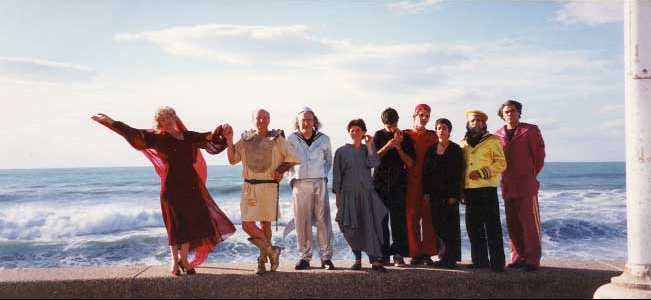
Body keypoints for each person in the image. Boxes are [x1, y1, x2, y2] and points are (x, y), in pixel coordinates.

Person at [91, 107, 236, 277]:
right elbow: (133, 133)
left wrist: (222, 129)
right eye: (162, 121)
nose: (166, 122)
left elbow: (209, 137)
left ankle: (185, 260)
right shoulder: (158, 139)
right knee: (175, 226)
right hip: (171, 188)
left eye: (168, 118)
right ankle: (175, 261)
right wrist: (111, 122)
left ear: (174, 117)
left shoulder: (188, 136)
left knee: (189, 224)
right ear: (159, 124)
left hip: (191, 187)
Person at [224, 109, 301, 275]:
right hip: (249, 187)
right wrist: (229, 140)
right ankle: (271, 250)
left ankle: (262, 261)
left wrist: (281, 170)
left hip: (268, 187)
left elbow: (294, 156)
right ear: (254, 120)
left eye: (264, 118)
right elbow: (232, 160)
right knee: (247, 225)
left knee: (265, 224)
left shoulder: (277, 138)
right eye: (258, 118)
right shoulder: (246, 139)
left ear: (269, 120)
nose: (261, 121)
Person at [494, 100, 546, 273]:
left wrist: (529, 175)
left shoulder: (530, 130)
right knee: (513, 223)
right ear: (502, 115)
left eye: (513, 111)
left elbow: (539, 157)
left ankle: (532, 260)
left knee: (529, 222)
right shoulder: (497, 134)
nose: (510, 114)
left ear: (519, 112)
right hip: (508, 184)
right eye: (506, 112)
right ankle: (518, 257)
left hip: (526, 184)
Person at [333, 119, 389, 272]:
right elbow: (337, 176)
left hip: (367, 194)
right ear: (349, 132)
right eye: (352, 130)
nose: (355, 133)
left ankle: (374, 261)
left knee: (370, 226)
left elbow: (374, 163)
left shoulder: (367, 149)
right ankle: (357, 260)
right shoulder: (341, 151)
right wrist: (338, 197)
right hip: (348, 194)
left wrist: (370, 145)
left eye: (358, 130)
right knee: (351, 227)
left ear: (364, 132)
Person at [286, 108, 335, 271]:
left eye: (309, 119)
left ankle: (326, 258)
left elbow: (329, 160)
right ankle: (304, 258)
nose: (306, 122)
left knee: (323, 220)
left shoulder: (324, 139)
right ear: (297, 122)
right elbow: (286, 160)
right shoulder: (291, 139)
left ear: (314, 121)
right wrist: (295, 176)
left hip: (319, 182)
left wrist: (320, 174)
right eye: (303, 120)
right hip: (300, 183)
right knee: (302, 221)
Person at [461, 110, 507, 273]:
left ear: (484, 124)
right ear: (468, 124)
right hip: (470, 190)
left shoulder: (493, 140)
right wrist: (461, 189)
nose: (476, 123)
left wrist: (482, 172)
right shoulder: (463, 143)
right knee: (473, 227)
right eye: (473, 121)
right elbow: (461, 168)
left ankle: (497, 263)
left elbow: (501, 163)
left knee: (492, 227)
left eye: (479, 121)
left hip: (487, 189)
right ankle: (479, 260)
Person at [373, 108, 415, 267]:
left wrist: (398, 147)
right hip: (380, 184)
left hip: (398, 184)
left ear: (398, 121)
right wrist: (388, 146)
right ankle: (383, 255)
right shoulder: (378, 135)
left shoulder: (406, 137)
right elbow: (373, 160)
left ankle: (399, 255)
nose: (391, 129)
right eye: (388, 126)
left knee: (399, 221)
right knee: (381, 221)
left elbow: (410, 163)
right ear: (383, 124)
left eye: (393, 125)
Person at [423, 118, 463, 269]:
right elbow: (425, 173)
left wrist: (455, 195)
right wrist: (425, 192)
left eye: (444, 128)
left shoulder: (456, 149)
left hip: (450, 195)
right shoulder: (431, 149)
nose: (441, 130)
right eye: (439, 128)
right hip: (434, 194)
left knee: (450, 227)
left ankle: (451, 259)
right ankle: (442, 256)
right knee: (438, 226)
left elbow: (458, 173)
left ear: (449, 131)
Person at [404, 104, 439, 266]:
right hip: (410, 182)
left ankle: (428, 253)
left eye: (427, 116)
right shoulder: (405, 135)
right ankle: (415, 253)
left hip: (429, 183)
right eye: (421, 115)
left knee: (429, 218)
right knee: (411, 218)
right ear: (414, 116)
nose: (424, 119)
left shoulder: (433, 136)